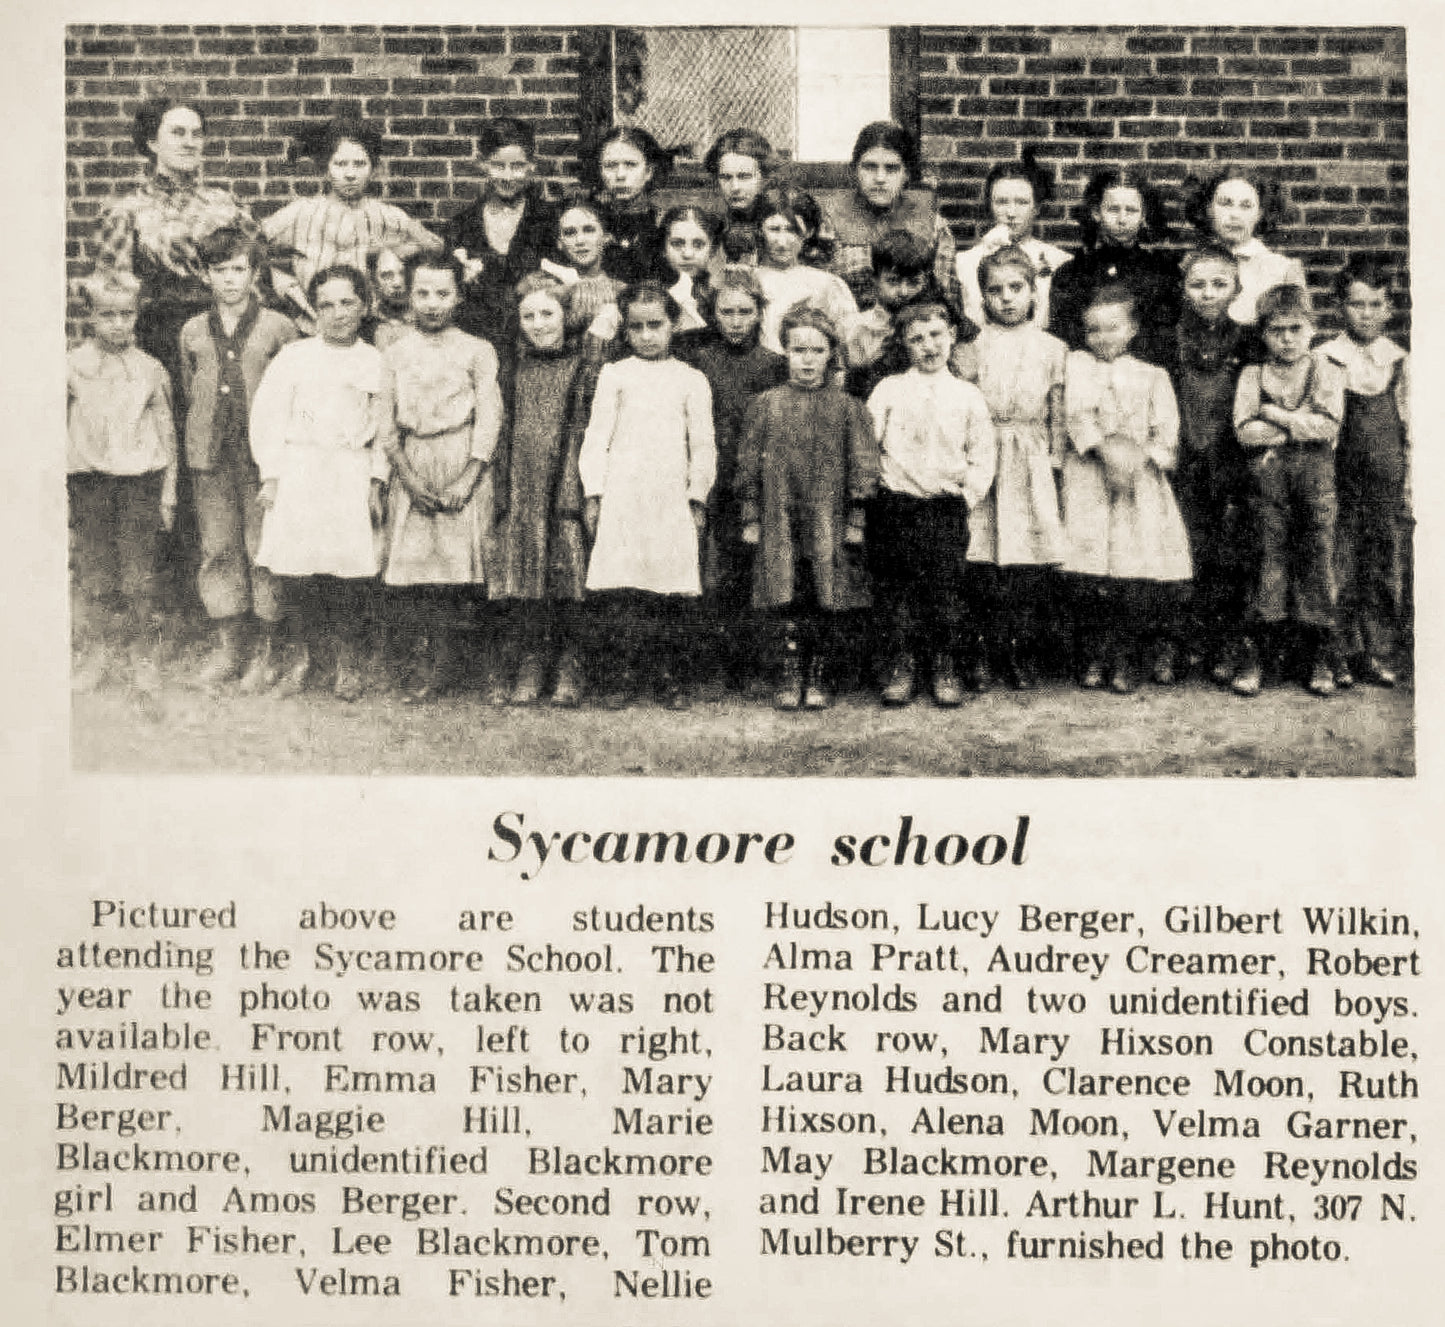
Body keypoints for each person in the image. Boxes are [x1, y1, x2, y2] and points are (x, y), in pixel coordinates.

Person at [249, 265, 392, 701]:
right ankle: (307, 659)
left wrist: (377, 479)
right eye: (326, 304)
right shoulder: (294, 357)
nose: (337, 313)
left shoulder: (375, 361)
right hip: (301, 471)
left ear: (365, 306)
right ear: (313, 310)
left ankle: (348, 661)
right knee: (299, 570)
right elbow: (267, 418)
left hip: (349, 470)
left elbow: (385, 427)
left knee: (347, 571)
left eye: (347, 302)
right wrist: (271, 475)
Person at [578, 281, 716, 710]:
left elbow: (703, 444)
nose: (647, 335)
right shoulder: (615, 374)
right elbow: (596, 436)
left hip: (669, 498)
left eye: (656, 325)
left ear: (673, 325)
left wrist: (697, 497)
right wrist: (594, 492)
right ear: (625, 331)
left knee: (668, 592)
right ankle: (621, 675)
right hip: (624, 497)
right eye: (636, 327)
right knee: (623, 591)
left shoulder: (691, 379)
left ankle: (669, 676)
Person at [738, 303, 879, 710]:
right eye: (798, 350)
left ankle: (819, 670)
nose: (807, 360)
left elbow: (863, 467)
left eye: (817, 351)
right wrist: (751, 516)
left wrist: (855, 519)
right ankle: (790, 668)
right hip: (779, 515)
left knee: (826, 591)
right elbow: (747, 466)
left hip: (828, 518)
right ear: (785, 351)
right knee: (787, 590)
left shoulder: (848, 407)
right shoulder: (765, 405)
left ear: (830, 355)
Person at [178, 226, 299, 691]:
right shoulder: (192, 330)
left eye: (238, 270)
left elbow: (289, 392)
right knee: (219, 548)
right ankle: (231, 644)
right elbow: (193, 389)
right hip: (209, 457)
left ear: (254, 274)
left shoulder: (278, 327)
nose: (230, 280)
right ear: (206, 275)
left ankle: (269, 648)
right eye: (219, 270)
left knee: (262, 548)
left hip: (261, 460)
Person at [381, 253, 504, 704]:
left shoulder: (476, 349)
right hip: (414, 460)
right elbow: (386, 421)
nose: (432, 304)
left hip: (461, 458)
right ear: (408, 296)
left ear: (459, 295)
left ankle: (478, 668)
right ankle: (430, 667)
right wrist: (408, 479)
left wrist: (469, 477)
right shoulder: (395, 352)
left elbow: (490, 416)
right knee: (420, 573)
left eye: (443, 293)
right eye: (422, 294)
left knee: (465, 568)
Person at [1061, 286, 1191, 694]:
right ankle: (1095, 652)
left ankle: (1126, 655)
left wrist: (1135, 459)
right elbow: (1076, 415)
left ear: (1133, 329)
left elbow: (1166, 434)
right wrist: (1105, 450)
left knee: (1131, 571)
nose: (1102, 338)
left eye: (1112, 328)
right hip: (1091, 478)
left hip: (1139, 484)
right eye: (1093, 330)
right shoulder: (1077, 366)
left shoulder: (1153, 375)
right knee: (1091, 570)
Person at [867, 302, 996, 708]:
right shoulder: (889, 389)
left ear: (952, 336)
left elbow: (983, 455)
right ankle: (901, 665)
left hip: (944, 509)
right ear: (904, 345)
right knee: (897, 592)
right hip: (896, 507)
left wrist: (966, 498)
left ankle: (944, 664)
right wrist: (879, 494)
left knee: (946, 592)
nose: (928, 346)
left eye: (936, 335)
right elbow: (869, 446)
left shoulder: (967, 395)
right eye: (917, 339)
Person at [956, 245, 1069, 692]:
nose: (1006, 298)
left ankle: (1020, 649)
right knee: (983, 556)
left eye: (1016, 288)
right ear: (982, 296)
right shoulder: (971, 347)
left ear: (1032, 291)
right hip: (986, 454)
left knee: (1025, 557)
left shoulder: (1052, 347)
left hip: (1031, 457)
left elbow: (1057, 411)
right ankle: (982, 651)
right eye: (995, 290)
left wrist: (1055, 460)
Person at [492, 275, 607, 708]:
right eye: (529, 316)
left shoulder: (585, 366)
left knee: (569, 570)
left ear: (567, 316)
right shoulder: (514, 368)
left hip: (567, 481)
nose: (538, 324)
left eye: (548, 314)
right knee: (526, 570)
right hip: (525, 481)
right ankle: (532, 658)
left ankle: (570, 661)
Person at [676, 265, 789, 692]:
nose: (736, 321)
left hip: (757, 483)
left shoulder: (775, 365)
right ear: (712, 313)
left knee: (754, 570)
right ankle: (715, 664)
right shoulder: (699, 360)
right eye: (727, 312)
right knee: (714, 573)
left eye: (746, 311)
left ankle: (757, 664)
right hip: (712, 478)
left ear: (760, 313)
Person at [1231, 283, 1346, 697]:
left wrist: (1275, 414)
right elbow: (1245, 432)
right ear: (1263, 333)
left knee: (1317, 558)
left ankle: (1320, 657)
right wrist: (1297, 425)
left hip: (1315, 482)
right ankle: (1258, 656)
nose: (1286, 339)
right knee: (1268, 558)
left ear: (1312, 329)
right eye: (1276, 330)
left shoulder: (1327, 370)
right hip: (1268, 484)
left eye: (1296, 328)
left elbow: (1329, 425)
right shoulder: (1252, 375)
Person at [67, 272, 178, 696]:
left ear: (137, 316)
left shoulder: (150, 369)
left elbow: (167, 435)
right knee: (94, 573)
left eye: (126, 315)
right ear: (90, 317)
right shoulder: (73, 366)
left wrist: (167, 493)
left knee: (138, 577)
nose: (117, 324)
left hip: (139, 485)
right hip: (90, 483)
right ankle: (96, 654)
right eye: (107, 315)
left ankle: (142, 656)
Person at [1320, 255, 1411, 689]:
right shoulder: (1325, 357)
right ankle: (1338, 651)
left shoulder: (1398, 361)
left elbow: (1412, 426)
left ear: (1389, 309)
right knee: (1338, 564)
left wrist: (1408, 484)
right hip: (1339, 479)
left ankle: (1378, 652)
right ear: (1340, 306)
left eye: (1376, 305)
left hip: (1385, 483)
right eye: (1357, 304)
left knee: (1381, 566)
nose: (1367, 314)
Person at [262, 115, 443, 333]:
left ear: (374, 169)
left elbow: (435, 249)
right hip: (312, 328)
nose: (350, 174)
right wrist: (287, 291)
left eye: (359, 164)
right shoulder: (301, 212)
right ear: (326, 169)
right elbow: (250, 244)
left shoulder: (388, 216)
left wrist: (398, 251)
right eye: (340, 164)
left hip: (369, 330)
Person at [1169, 245, 1257, 686]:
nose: (1208, 293)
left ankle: (1228, 642)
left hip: (1231, 460)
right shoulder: (1170, 339)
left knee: (1230, 554)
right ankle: (1186, 643)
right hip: (1184, 458)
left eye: (1219, 284)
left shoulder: (1248, 340)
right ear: (1184, 289)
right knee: (1188, 549)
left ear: (1236, 288)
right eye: (1197, 284)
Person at [444, 118, 559, 374]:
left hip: (537, 351)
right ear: (482, 164)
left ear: (532, 166)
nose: (508, 176)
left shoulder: (551, 220)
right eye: (498, 165)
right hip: (476, 352)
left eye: (517, 166)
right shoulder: (462, 225)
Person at [828, 121, 963, 318]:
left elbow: (946, 296)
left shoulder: (933, 224)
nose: (880, 178)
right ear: (855, 170)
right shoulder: (830, 221)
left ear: (906, 173)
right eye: (869, 167)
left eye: (891, 168)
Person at [1049, 166, 1179, 367]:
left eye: (1131, 210)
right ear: (1096, 212)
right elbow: (1065, 337)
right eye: (1113, 209)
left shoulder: (1163, 272)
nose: (1122, 219)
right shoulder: (1072, 273)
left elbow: (1164, 339)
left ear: (1143, 215)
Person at [957, 149, 1071, 332]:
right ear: (990, 206)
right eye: (1001, 202)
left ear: (1036, 208)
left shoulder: (1059, 260)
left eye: (1022, 202)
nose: (1011, 213)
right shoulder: (964, 262)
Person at [1186, 165, 1306, 327]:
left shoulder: (1283, 269)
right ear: (1208, 209)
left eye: (1246, 206)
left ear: (1260, 214)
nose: (1235, 214)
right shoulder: (1189, 264)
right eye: (1226, 203)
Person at [753, 184, 858, 356]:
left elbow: (848, 342)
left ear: (808, 232)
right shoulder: (751, 279)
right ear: (760, 230)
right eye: (774, 229)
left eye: (792, 230)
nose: (782, 241)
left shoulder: (827, 284)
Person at [591, 126, 672, 285]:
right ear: (600, 171)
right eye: (610, 166)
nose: (620, 175)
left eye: (630, 164)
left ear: (648, 171)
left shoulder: (663, 223)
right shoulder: (590, 223)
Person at [659, 204, 725, 338]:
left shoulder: (721, 300)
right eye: (677, 244)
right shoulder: (651, 298)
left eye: (698, 244)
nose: (688, 254)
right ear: (663, 249)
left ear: (712, 250)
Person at [704, 128, 776, 240]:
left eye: (744, 177)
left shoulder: (782, 227)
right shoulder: (711, 230)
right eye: (726, 178)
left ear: (764, 179)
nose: (735, 187)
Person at [366, 246, 413, 350]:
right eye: (387, 275)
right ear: (373, 281)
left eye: (403, 273)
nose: (397, 283)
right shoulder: (364, 328)